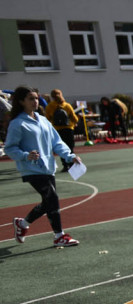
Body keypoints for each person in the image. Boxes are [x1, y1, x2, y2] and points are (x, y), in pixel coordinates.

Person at [5, 86, 83, 247]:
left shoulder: (43, 120)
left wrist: (70, 156)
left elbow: (57, 142)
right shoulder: (17, 123)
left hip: (48, 167)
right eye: (30, 99)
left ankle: (23, 224)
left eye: (36, 98)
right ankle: (59, 236)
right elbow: (10, 148)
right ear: (21, 102)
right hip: (31, 169)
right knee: (52, 198)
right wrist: (26, 155)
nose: (35, 101)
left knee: (48, 201)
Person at [43, 89, 78, 166]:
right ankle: (72, 163)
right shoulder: (67, 105)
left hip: (57, 129)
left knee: (61, 147)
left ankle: (65, 165)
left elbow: (47, 119)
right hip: (68, 128)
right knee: (70, 147)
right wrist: (74, 123)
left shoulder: (50, 106)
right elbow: (74, 118)